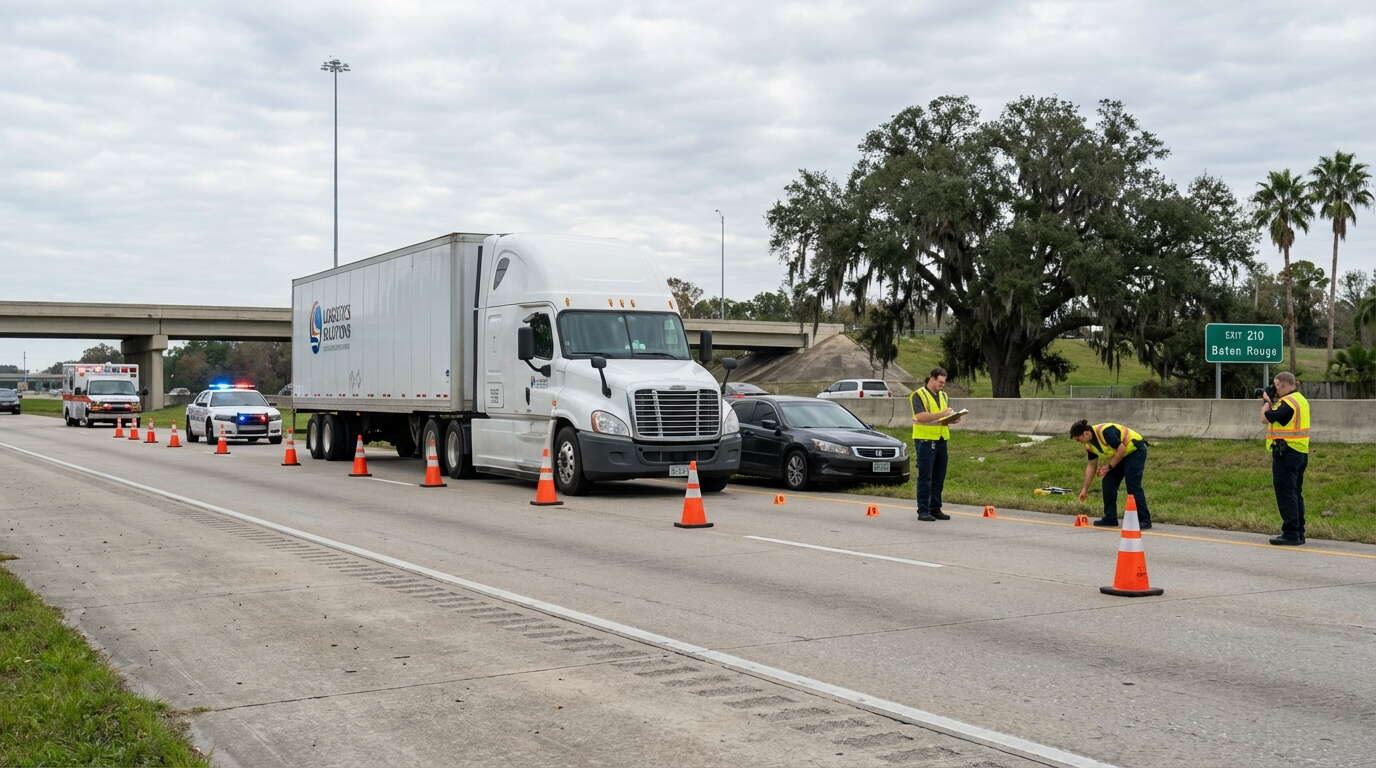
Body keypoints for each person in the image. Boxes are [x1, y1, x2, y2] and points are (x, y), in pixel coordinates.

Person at [1070, 419, 1152, 529]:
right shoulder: (1089, 445)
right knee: (1108, 482)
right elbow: (1091, 466)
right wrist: (1085, 489)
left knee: (1132, 484)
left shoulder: (1105, 431)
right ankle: (1110, 518)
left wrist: (1109, 466)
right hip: (1122, 455)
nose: (1079, 442)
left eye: (1078, 439)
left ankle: (1145, 520)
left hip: (1135, 450)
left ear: (1086, 433)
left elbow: (1121, 449)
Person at [1261, 371, 1310, 546]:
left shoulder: (1288, 402)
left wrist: (1266, 403)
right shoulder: (1300, 399)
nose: (1275, 389)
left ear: (1282, 384)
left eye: (1276, 385)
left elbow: (1268, 418)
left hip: (1287, 452)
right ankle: (1299, 532)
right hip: (1300, 452)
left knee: (1286, 493)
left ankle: (1291, 533)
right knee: (1295, 493)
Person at [910, 367, 960, 521]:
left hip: (942, 439)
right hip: (925, 440)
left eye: (944, 383)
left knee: (939, 476)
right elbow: (921, 416)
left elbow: (942, 419)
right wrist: (942, 414)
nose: (942, 385)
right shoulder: (918, 395)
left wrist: (953, 418)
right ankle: (923, 510)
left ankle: (935, 508)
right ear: (931, 379)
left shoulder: (943, 395)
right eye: (940, 382)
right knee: (925, 476)